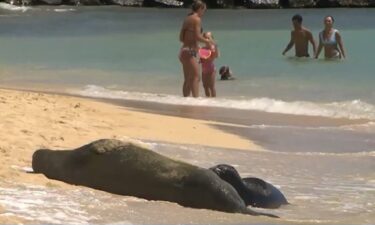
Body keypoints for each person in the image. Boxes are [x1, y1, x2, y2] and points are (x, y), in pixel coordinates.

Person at [179, 0, 212, 98]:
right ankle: (195, 101)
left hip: (183, 50)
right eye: (204, 11)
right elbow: (198, 36)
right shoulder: (197, 19)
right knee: (196, 77)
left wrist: (196, 45)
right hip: (190, 51)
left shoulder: (187, 18)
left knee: (188, 79)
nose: (204, 13)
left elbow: (181, 38)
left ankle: (185, 101)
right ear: (200, 9)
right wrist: (208, 42)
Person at [200, 31, 219, 97]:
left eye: (208, 38)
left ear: (211, 39)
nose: (206, 39)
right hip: (204, 70)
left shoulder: (213, 48)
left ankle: (214, 101)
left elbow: (216, 56)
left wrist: (215, 47)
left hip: (211, 69)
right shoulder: (202, 48)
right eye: (205, 38)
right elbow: (201, 60)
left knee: (211, 86)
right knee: (205, 86)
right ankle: (208, 101)